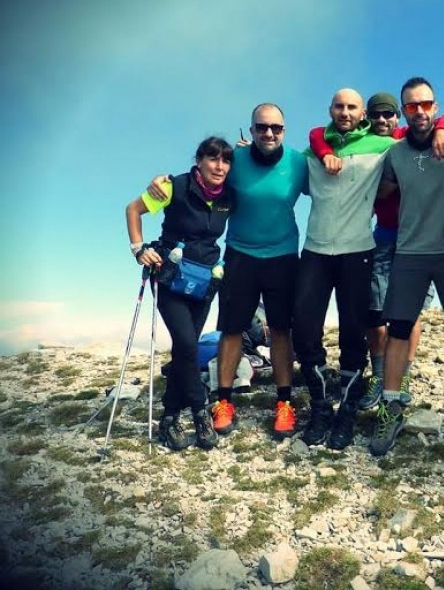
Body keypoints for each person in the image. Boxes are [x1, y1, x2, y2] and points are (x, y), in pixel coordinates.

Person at [148, 103, 307, 439]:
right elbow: (202, 175)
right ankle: (223, 401)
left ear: (284, 130)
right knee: (232, 330)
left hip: (282, 256)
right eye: (261, 127)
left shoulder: (298, 162)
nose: (268, 133)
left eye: (276, 128)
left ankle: (284, 403)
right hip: (240, 256)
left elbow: (328, 184)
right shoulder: (235, 161)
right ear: (251, 130)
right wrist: (162, 182)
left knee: (281, 330)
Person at [307, 92, 444, 411]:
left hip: (416, 239)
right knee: (374, 309)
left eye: (389, 114)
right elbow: (316, 133)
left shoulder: (405, 137)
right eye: (376, 114)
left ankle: (402, 376)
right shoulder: (367, 141)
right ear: (368, 117)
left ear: (398, 116)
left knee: (410, 311)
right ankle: (380, 375)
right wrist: (325, 152)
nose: (382, 120)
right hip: (382, 235)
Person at [368, 77, 444, 457]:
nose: (419, 111)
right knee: (398, 332)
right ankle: (390, 407)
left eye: (425, 104)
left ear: (435, 106)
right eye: (411, 106)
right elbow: (378, 192)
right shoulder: (395, 155)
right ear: (404, 111)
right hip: (409, 254)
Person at [292, 88, 396, 450]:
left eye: (352, 107)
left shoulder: (382, 145)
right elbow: (296, 149)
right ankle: (321, 407)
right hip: (315, 251)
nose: (345, 112)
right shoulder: (312, 150)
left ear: (362, 112)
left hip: (358, 251)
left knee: (354, 333)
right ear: (330, 109)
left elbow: (421, 133)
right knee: (304, 331)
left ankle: (347, 412)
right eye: (339, 106)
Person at [126, 137, 234, 451]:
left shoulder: (229, 195)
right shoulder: (174, 186)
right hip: (170, 276)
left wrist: (244, 150)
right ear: (198, 161)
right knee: (187, 345)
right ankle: (200, 413)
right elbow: (133, 209)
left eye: (226, 160)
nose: (219, 166)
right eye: (212, 159)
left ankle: (169, 418)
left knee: (185, 351)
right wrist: (138, 249)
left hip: (206, 281)